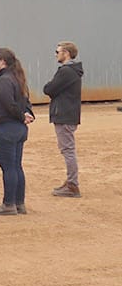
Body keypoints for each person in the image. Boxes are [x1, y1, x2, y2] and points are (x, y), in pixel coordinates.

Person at [0, 47, 34, 215]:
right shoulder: (17, 78)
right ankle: (19, 203)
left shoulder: (5, 80)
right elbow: (25, 101)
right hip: (17, 129)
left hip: (5, 128)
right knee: (15, 166)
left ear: (3, 61)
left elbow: (8, 103)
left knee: (9, 167)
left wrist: (22, 116)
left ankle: (8, 204)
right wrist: (27, 115)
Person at [44, 41, 83, 198]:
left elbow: (49, 89)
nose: (56, 54)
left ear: (66, 53)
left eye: (58, 51)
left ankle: (72, 184)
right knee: (68, 149)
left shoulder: (66, 71)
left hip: (64, 115)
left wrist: (50, 87)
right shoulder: (71, 71)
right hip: (67, 114)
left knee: (68, 150)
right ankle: (71, 182)